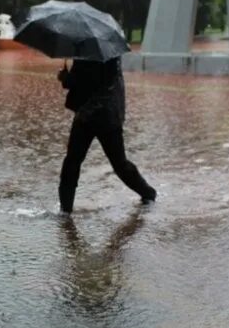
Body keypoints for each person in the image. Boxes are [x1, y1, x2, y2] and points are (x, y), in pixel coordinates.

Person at [56, 58, 156, 214]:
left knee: (112, 163)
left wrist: (66, 78)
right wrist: (67, 78)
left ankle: (148, 193)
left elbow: (88, 81)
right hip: (98, 115)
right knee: (75, 161)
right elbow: (83, 81)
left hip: (99, 116)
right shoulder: (100, 52)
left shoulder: (94, 54)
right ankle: (65, 210)